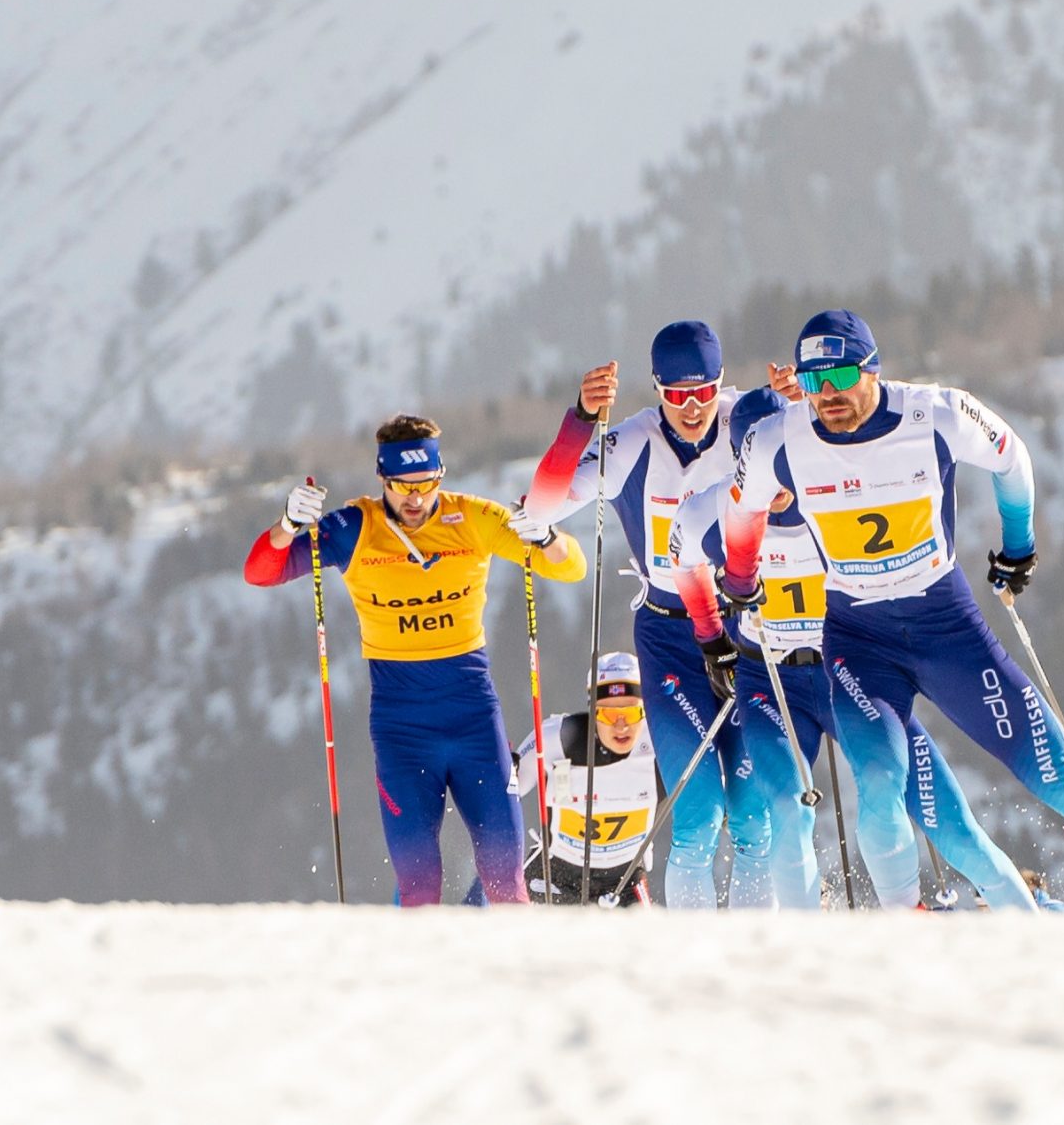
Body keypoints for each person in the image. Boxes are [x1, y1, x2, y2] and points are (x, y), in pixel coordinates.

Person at [709, 310, 1064, 910]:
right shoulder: (778, 443)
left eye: (838, 376)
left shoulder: (935, 413)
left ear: (872, 368)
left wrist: (1019, 546)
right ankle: (909, 927)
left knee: (1061, 780)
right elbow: (742, 514)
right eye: (811, 382)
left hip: (947, 630)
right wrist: (739, 577)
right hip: (858, 641)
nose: (826, 395)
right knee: (881, 786)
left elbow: (1012, 458)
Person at [671, 387, 1039, 911]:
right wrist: (711, 639)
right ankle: (808, 947)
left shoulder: (841, 495)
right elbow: (683, 560)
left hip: (851, 675)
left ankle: (1034, 927)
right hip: (771, 686)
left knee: (950, 824)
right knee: (789, 808)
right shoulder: (711, 515)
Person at [242, 413, 586, 906]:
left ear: (439, 476)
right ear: (382, 480)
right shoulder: (354, 527)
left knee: (505, 882)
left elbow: (571, 569)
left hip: (473, 722)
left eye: (425, 484)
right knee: (420, 887)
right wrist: (286, 526)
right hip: (402, 731)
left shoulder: (473, 519)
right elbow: (260, 572)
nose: (414, 498)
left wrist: (548, 537)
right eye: (402, 486)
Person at [516, 321, 775, 909]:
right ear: (657, 388)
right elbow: (541, 504)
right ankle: (688, 960)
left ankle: (760, 956)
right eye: (677, 394)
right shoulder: (631, 441)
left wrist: (788, 409)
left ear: (720, 385)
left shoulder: (748, 424)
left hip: (741, 631)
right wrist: (581, 417)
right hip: (670, 637)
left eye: (705, 392)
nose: (692, 407)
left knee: (755, 817)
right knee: (698, 814)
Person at [510, 650, 661, 905]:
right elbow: (507, 789)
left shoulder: (661, 744)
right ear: (592, 710)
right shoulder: (558, 737)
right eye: (608, 714)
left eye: (632, 713)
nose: (621, 725)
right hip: (554, 876)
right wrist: (504, 766)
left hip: (624, 882)